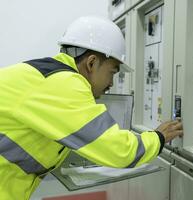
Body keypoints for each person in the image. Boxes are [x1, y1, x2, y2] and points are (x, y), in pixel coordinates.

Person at [0, 16, 183, 199]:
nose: (111, 83)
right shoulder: (65, 84)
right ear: (91, 63)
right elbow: (119, 151)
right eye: (112, 72)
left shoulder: (47, 75)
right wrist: (158, 137)